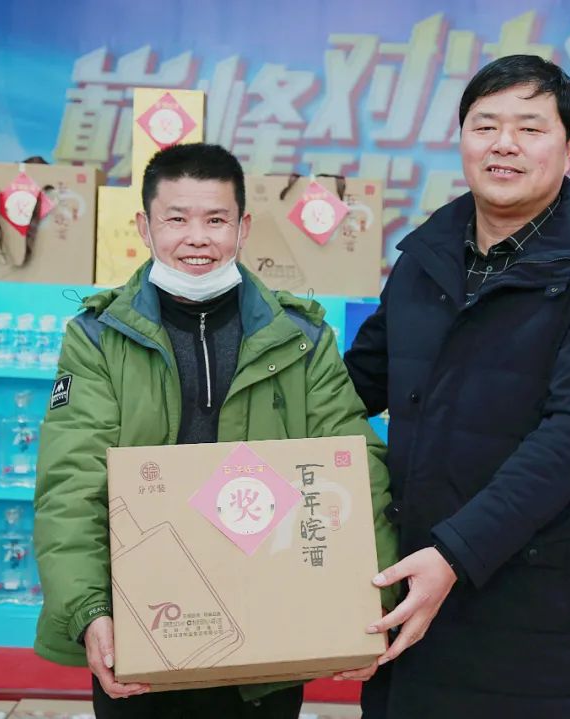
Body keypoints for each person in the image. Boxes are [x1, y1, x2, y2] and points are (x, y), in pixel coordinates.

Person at [342, 55, 570, 718]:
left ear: (569, 149)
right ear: (462, 139)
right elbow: (354, 385)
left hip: (531, 611)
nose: (504, 144)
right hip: (412, 586)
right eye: (485, 125)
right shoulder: (424, 261)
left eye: (530, 127)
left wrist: (454, 553)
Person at [32, 143, 398, 719]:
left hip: (271, 627)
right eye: (176, 219)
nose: (197, 238)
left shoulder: (301, 340)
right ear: (145, 227)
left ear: (243, 227)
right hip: (143, 625)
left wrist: (370, 604)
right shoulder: (98, 339)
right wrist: (89, 611)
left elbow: (357, 471)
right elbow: (71, 482)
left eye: (216, 220)